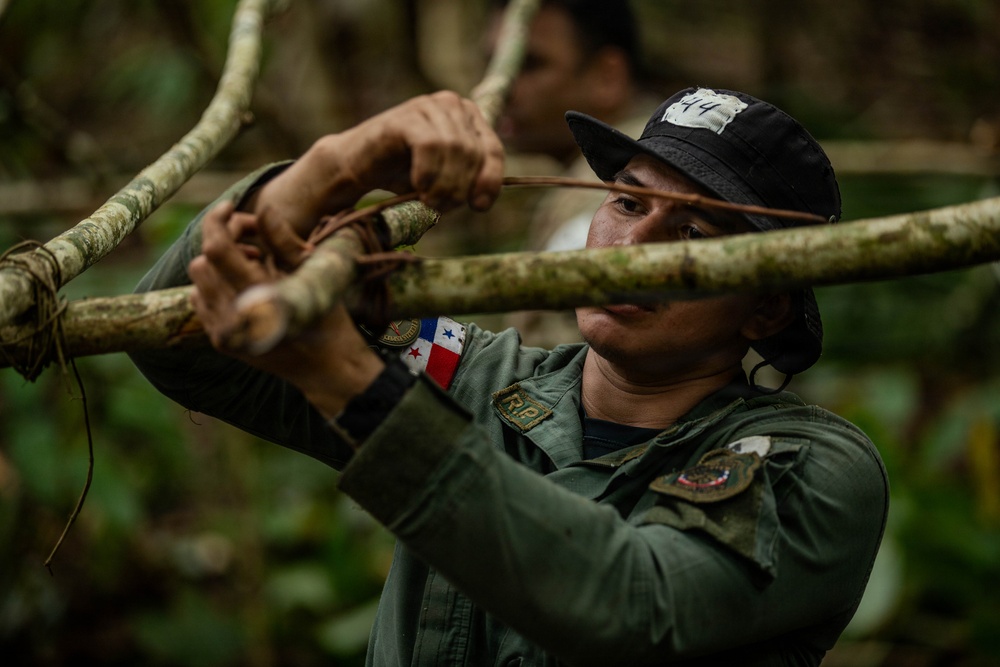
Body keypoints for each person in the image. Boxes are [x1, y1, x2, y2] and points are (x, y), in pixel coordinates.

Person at [130, 88, 888, 666]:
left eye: (691, 230)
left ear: (764, 310)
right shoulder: (476, 374)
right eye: (626, 201)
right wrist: (339, 166)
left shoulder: (814, 468)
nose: (633, 246)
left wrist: (353, 381)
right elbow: (176, 340)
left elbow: (633, 604)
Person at [486, 0, 661, 346]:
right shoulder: (663, 149)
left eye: (530, 64)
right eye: (494, 66)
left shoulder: (607, 186)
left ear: (607, 76)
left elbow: (555, 371)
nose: (501, 88)